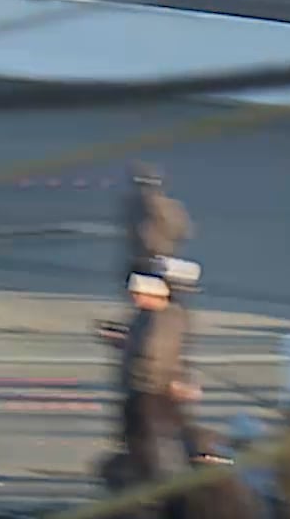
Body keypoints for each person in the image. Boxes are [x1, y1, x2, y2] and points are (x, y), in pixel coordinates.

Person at [118, 271, 201, 511]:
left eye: (137, 294)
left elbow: (155, 355)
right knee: (147, 444)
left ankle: (160, 496)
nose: (134, 299)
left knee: (153, 447)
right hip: (147, 391)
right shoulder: (149, 315)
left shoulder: (161, 320)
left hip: (150, 392)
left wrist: (170, 381)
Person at [122, 163, 191, 285]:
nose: (144, 191)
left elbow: (183, 232)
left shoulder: (169, 208)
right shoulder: (133, 206)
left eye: (147, 186)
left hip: (161, 262)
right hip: (143, 261)